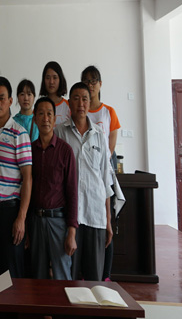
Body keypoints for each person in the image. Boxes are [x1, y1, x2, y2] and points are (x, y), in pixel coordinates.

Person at [55, 82, 112, 281]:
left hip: (95, 216)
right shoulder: (59, 133)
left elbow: (105, 180)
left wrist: (108, 221)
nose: (81, 103)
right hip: (69, 218)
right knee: (68, 278)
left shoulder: (99, 135)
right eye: (76, 98)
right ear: (69, 103)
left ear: (90, 102)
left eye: (85, 99)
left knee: (94, 279)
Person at [0, 76, 32, 278]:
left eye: (2, 98)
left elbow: (28, 178)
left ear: (10, 101)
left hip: (10, 212)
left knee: (12, 275)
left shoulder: (19, 133)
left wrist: (21, 217)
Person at [81, 65, 124, 281]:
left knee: (106, 223)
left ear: (100, 84)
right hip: (83, 175)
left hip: (102, 173)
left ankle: (106, 274)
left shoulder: (108, 112)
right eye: (86, 81)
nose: (90, 85)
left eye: (93, 80)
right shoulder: (79, 110)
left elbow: (110, 148)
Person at [28, 97, 78, 280]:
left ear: (55, 119)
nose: (45, 118)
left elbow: (72, 192)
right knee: (37, 277)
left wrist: (71, 231)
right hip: (35, 222)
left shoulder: (65, 151)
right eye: (41, 114)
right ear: (35, 118)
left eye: (49, 114)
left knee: (61, 275)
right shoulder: (30, 150)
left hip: (58, 221)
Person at [39, 61, 70, 125]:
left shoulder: (68, 107)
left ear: (60, 79)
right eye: (48, 78)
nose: (51, 82)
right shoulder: (39, 106)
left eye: (55, 77)